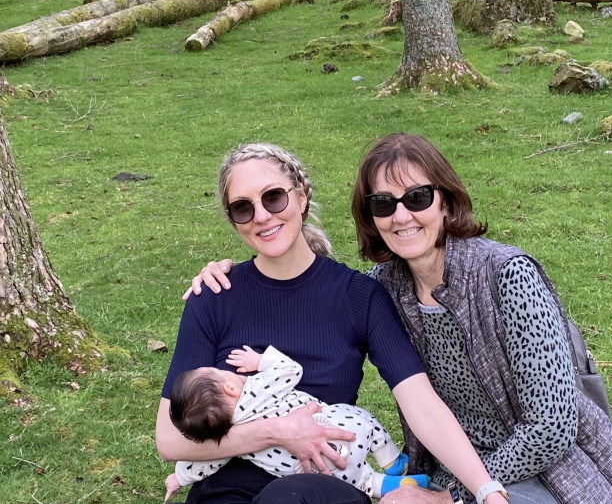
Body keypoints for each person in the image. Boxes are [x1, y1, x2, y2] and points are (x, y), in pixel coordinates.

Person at [190, 134, 612, 504]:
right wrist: (232, 273)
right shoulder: (385, 287)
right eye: (383, 204)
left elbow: (551, 428)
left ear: (446, 201)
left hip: (551, 473)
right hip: (450, 467)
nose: (401, 216)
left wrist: (453, 491)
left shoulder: (508, 275)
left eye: (416, 197)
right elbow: (313, 280)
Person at [158, 142, 511, 504]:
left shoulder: (359, 296)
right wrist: (276, 432)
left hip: (324, 480)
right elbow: (170, 440)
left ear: (302, 196)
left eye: (274, 197)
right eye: (243, 208)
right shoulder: (215, 295)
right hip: (226, 486)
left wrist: (486, 490)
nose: (262, 216)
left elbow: (421, 403)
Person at [163, 344, 429, 502]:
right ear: (230, 387)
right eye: (219, 371)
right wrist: (259, 361)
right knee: (367, 425)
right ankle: (395, 462)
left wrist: (178, 477)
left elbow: (203, 464)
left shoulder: (229, 438)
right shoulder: (257, 389)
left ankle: (394, 486)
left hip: (316, 468)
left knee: (363, 481)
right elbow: (291, 370)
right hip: (339, 427)